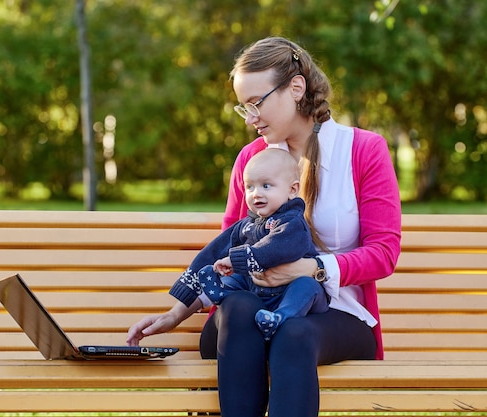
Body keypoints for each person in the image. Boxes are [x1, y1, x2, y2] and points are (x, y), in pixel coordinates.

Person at [127, 36, 401, 417]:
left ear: (296, 88)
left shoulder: (363, 151)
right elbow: (228, 246)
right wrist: (178, 312)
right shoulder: (252, 159)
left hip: (330, 313)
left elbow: (384, 253)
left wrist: (313, 268)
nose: (251, 117)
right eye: (244, 108)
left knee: (294, 334)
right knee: (238, 306)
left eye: (256, 103)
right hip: (245, 316)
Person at [168, 148, 329, 340]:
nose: (256, 194)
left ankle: (281, 316)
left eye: (266, 186)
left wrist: (239, 259)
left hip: (291, 291)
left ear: (292, 189)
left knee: (306, 286)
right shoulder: (246, 226)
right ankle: (223, 293)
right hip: (258, 292)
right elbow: (216, 249)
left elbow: (276, 248)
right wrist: (189, 286)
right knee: (236, 277)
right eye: (249, 187)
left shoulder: (293, 223)